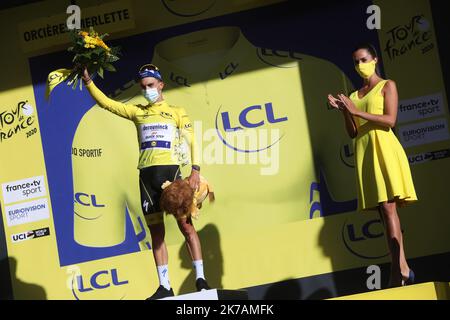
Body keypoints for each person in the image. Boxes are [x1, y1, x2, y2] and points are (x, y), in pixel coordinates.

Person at [81, 64, 210, 299]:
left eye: (150, 85)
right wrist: (89, 82)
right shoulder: (137, 112)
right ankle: (165, 286)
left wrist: (195, 170)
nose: (147, 90)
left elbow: (192, 141)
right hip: (147, 178)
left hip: (171, 174)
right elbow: (107, 103)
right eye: (143, 87)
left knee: (186, 227)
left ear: (161, 85)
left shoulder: (177, 111)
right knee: (156, 232)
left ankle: (200, 278)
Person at [327, 43, 418, 288]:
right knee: (383, 212)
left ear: (375, 59)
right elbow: (353, 132)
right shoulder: (355, 95)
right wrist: (345, 111)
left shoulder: (388, 86)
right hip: (366, 152)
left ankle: (397, 270)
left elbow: (390, 120)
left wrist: (357, 110)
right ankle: (402, 268)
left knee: (389, 210)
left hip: (385, 149)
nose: (360, 65)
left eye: (363, 59)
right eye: (356, 62)